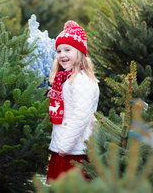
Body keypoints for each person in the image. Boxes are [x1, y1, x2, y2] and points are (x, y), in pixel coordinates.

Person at [46, 20, 100, 183]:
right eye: (59, 51)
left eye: (67, 50)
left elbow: (81, 115)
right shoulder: (66, 78)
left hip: (74, 149)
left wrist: (65, 145)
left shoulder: (81, 80)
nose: (62, 55)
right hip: (66, 144)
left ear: (80, 52)